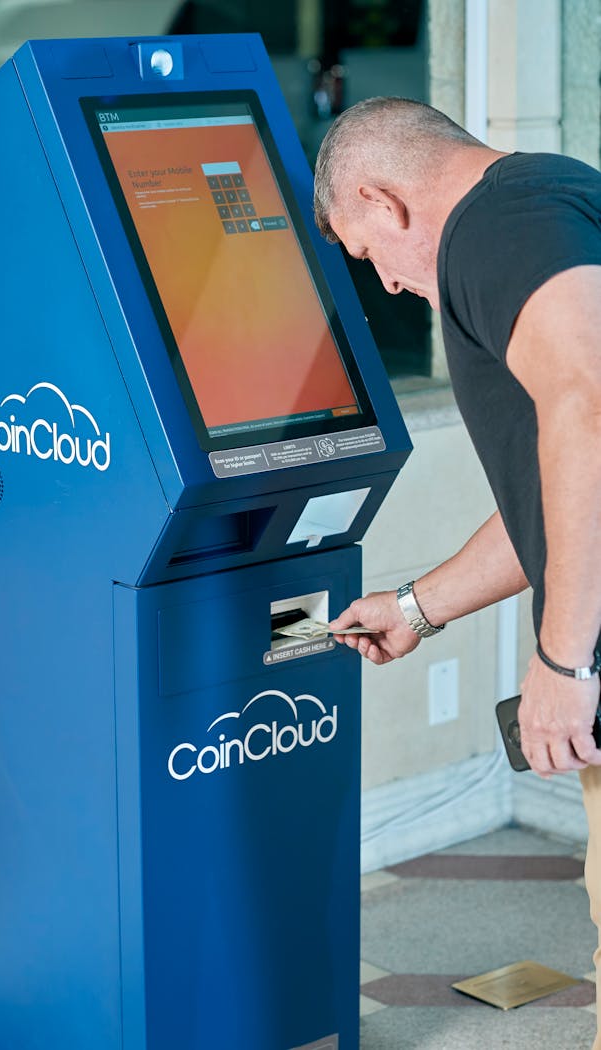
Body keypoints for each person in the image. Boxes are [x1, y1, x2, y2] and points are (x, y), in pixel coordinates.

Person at [313, 96, 601, 1043]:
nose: (389, 287)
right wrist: (416, 606)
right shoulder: (558, 196)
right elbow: (552, 492)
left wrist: (565, 665)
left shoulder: (495, 227)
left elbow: (589, 412)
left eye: (367, 254)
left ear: (384, 201)